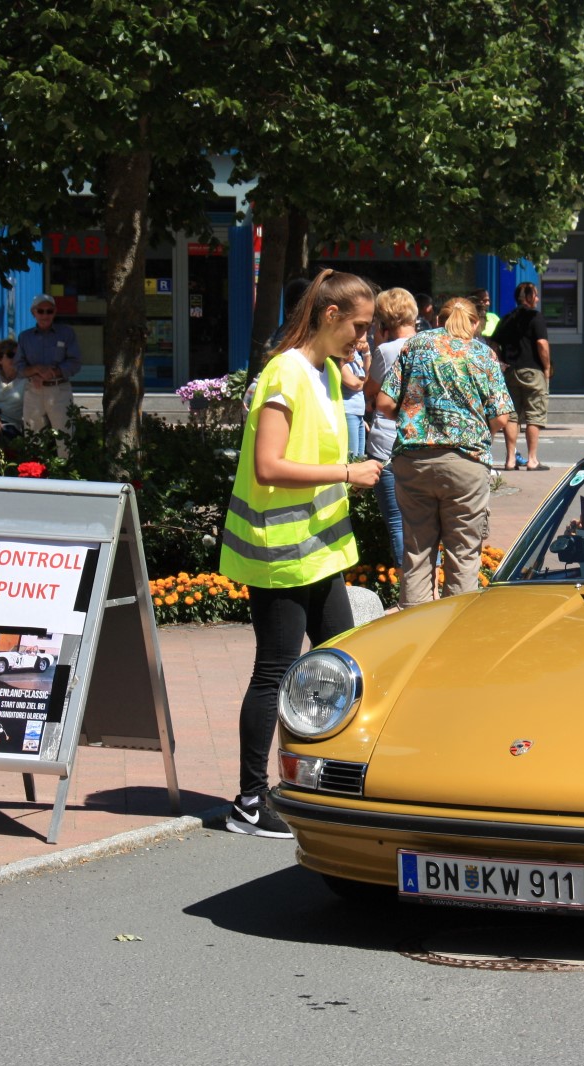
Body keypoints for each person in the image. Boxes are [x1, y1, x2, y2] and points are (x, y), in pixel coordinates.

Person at [219, 269, 382, 839]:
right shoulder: (286, 371)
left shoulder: (325, 371)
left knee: (340, 663)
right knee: (275, 669)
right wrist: (348, 472)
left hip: (318, 548)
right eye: (359, 327)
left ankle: (318, 777)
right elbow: (269, 465)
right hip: (280, 550)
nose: (364, 339)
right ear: (330, 316)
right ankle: (247, 800)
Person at [377, 296, 512, 608]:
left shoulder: (415, 345)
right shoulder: (483, 354)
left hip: (414, 461)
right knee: (464, 554)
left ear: (438, 319)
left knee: (417, 551)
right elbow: (501, 417)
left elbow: (384, 403)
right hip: (467, 462)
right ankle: (455, 636)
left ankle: (415, 631)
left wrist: (416, 420)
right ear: (474, 323)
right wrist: (473, 429)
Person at [362, 288, 418, 568]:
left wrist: (374, 348)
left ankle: (407, 588)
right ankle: (433, 585)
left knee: (397, 522)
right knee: (425, 523)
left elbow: (369, 390)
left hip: (387, 444)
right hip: (423, 442)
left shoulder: (385, 351)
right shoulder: (429, 345)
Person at [489, 281, 551, 471]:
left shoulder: (507, 318)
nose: (538, 299)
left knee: (512, 415)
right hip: (532, 370)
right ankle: (532, 459)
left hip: (511, 371)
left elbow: (493, 343)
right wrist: (547, 367)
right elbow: (541, 344)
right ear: (530, 297)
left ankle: (510, 459)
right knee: (534, 414)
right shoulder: (535, 317)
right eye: (536, 295)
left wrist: (501, 363)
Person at [15, 294, 80, 452]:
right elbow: (18, 365)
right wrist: (35, 371)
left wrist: (54, 373)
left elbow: (75, 362)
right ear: (34, 313)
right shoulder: (25, 337)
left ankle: (65, 473)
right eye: (41, 311)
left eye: (49, 311)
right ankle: (33, 473)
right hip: (34, 391)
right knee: (33, 437)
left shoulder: (66, 333)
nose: (45, 315)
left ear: (55, 312)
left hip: (59, 391)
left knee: (65, 438)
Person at [339, 334, 368, 457]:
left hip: (359, 413)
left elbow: (367, 373)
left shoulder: (355, 356)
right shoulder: (339, 358)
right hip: (348, 411)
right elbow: (355, 384)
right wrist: (367, 382)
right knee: (351, 457)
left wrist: (367, 353)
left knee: (359, 457)